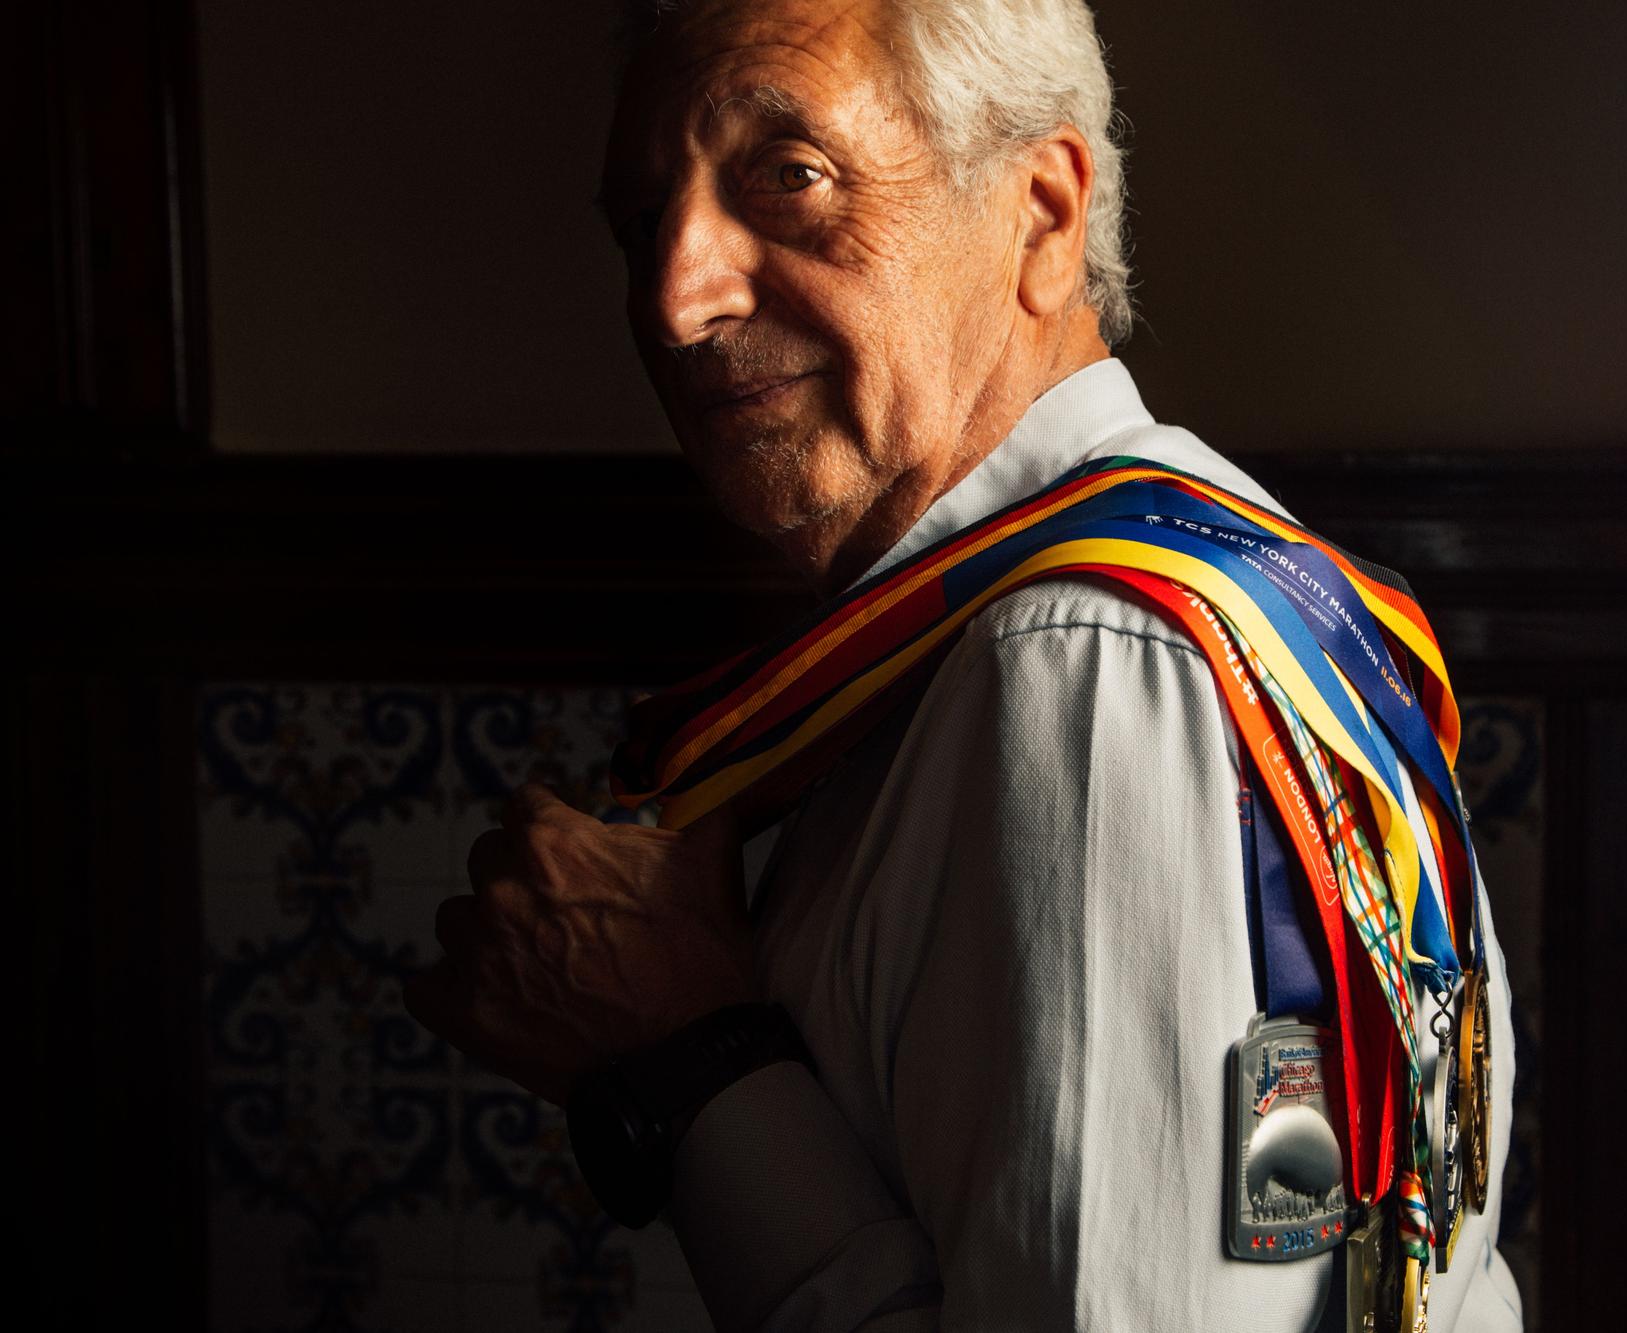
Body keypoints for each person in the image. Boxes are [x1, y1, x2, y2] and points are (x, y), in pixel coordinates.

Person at [404, 1, 1523, 1329]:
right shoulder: (1109, 609)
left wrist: (689, 1059)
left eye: (790, 176)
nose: (675, 294)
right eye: (643, 219)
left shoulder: (1093, 670)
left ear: (1042, 214)